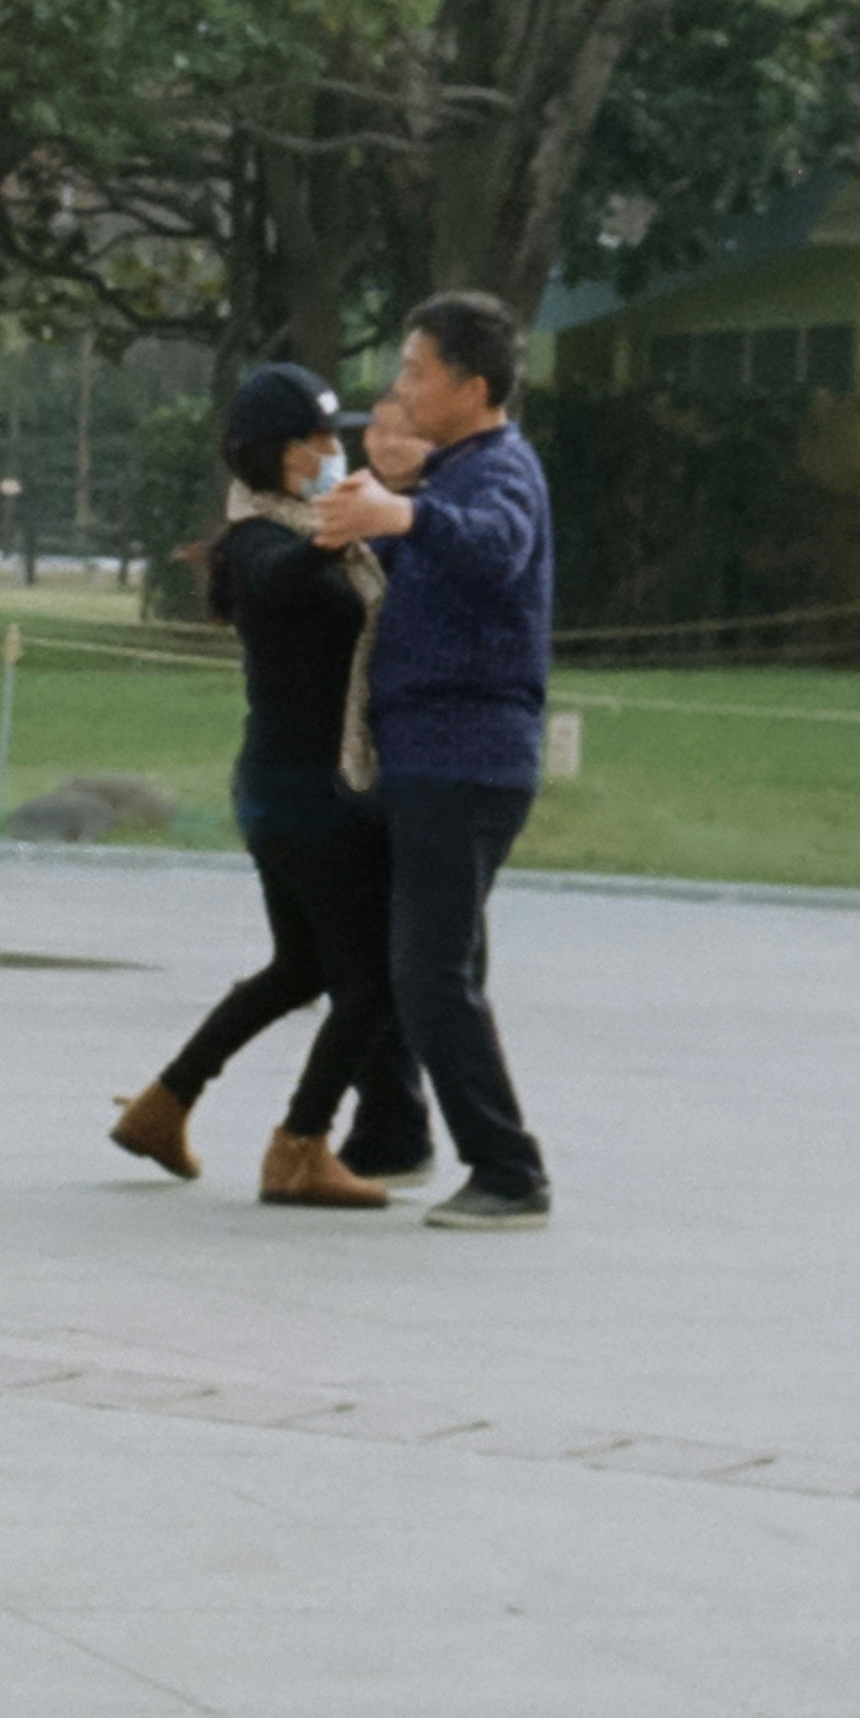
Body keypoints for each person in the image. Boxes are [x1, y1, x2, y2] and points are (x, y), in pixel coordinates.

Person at [107, 362, 424, 1210]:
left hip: (287, 786)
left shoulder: (300, 528)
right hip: (302, 794)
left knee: (297, 968)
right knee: (375, 981)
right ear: (273, 454)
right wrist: (329, 534)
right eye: (314, 440)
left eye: (332, 434)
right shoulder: (258, 539)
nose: (334, 450)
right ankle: (299, 1145)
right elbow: (277, 582)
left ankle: (162, 1103)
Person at [313, 290, 558, 1229]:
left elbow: (496, 548)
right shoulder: (453, 473)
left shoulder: (500, 470)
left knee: (428, 970)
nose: (402, 387)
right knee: (407, 953)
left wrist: (402, 516)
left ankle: (508, 1168)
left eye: (416, 370)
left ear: (471, 383)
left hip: (467, 758)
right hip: (427, 755)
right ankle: (393, 1131)